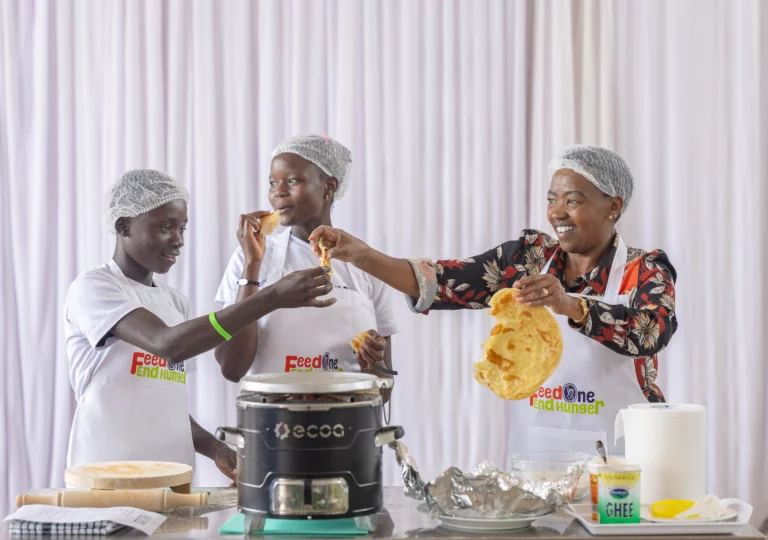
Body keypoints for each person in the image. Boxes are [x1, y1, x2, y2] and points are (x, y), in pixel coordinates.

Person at [309, 145, 678, 455]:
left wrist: (569, 304)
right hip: (537, 457)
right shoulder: (528, 258)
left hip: (619, 464)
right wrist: (361, 255)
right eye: (552, 200)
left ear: (613, 206)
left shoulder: (645, 269)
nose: (557, 213)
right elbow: (445, 280)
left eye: (573, 200)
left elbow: (649, 332)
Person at [64, 169, 333, 482]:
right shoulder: (94, 288)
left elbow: (164, 401)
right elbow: (168, 345)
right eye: (165, 227)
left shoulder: (174, 301)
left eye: (182, 228)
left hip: (172, 476)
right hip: (106, 478)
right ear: (123, 226)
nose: (178, 240)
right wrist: (270, 297)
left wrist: (216, 448)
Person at [214, 135, 398, 398]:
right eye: (272, 183)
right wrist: (252, 267)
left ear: (329, 186)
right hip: (274, 425)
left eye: (292, 181)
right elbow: (231, 369)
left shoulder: (366, 264)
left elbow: (383, 392)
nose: (278, 191)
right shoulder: (252, 256)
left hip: (346, 426)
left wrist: (373, 363)